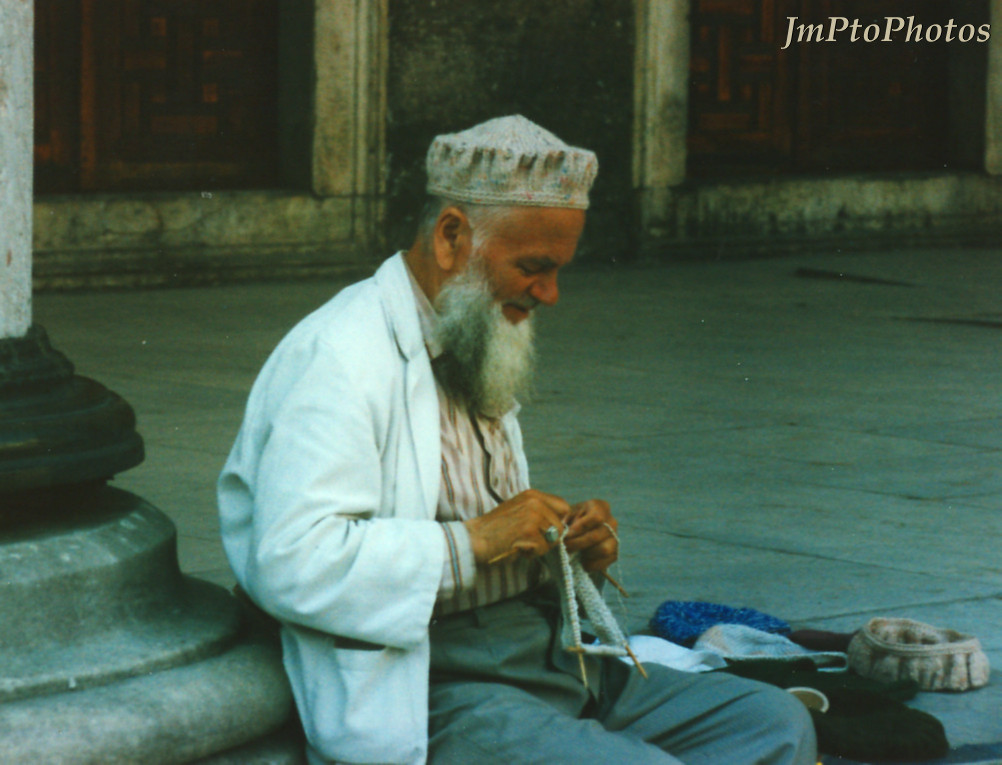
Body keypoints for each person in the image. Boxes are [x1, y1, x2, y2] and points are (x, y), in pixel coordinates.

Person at [218, 115, 817, 765]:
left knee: (773, 723)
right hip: (433, 682)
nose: (551, 293)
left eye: (559, 270)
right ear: (452, 236)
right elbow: (290, 560)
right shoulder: (338, 355)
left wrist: (571, 550)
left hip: (554, 659)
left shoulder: (473, 330)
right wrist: (477, 540)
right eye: (534, 267)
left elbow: (493, 526)